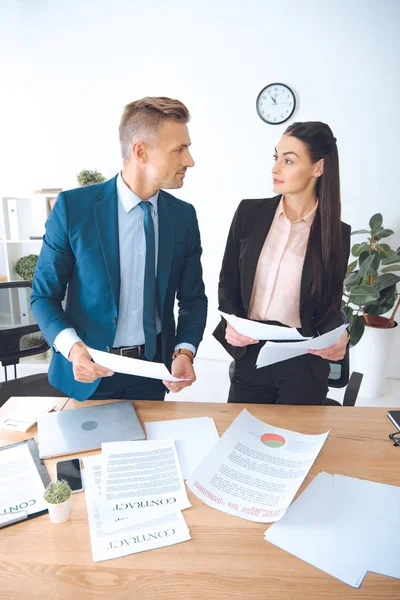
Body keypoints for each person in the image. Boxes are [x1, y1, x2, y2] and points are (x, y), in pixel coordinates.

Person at [31, 97, 207, 401]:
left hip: (151, 375)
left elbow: (192, 298)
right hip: (86, 375)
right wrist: (73, 349)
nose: (189, 160)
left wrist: (184, 351)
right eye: (179, 149)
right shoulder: (74, 208)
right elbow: (44, 296)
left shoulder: (183, 217)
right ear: (140, 151)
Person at [213, 121, 350, 405]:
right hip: (251, 354)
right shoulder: (249, 213)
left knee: (296, 445)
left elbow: (330, 304)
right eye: (276, 157)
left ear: (318, 168)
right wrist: (233, 322)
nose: (275, 169)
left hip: (302, 361)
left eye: (289, 160)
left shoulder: (336, 233)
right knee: (241, 441)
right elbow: (229, 280)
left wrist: (340, 334)